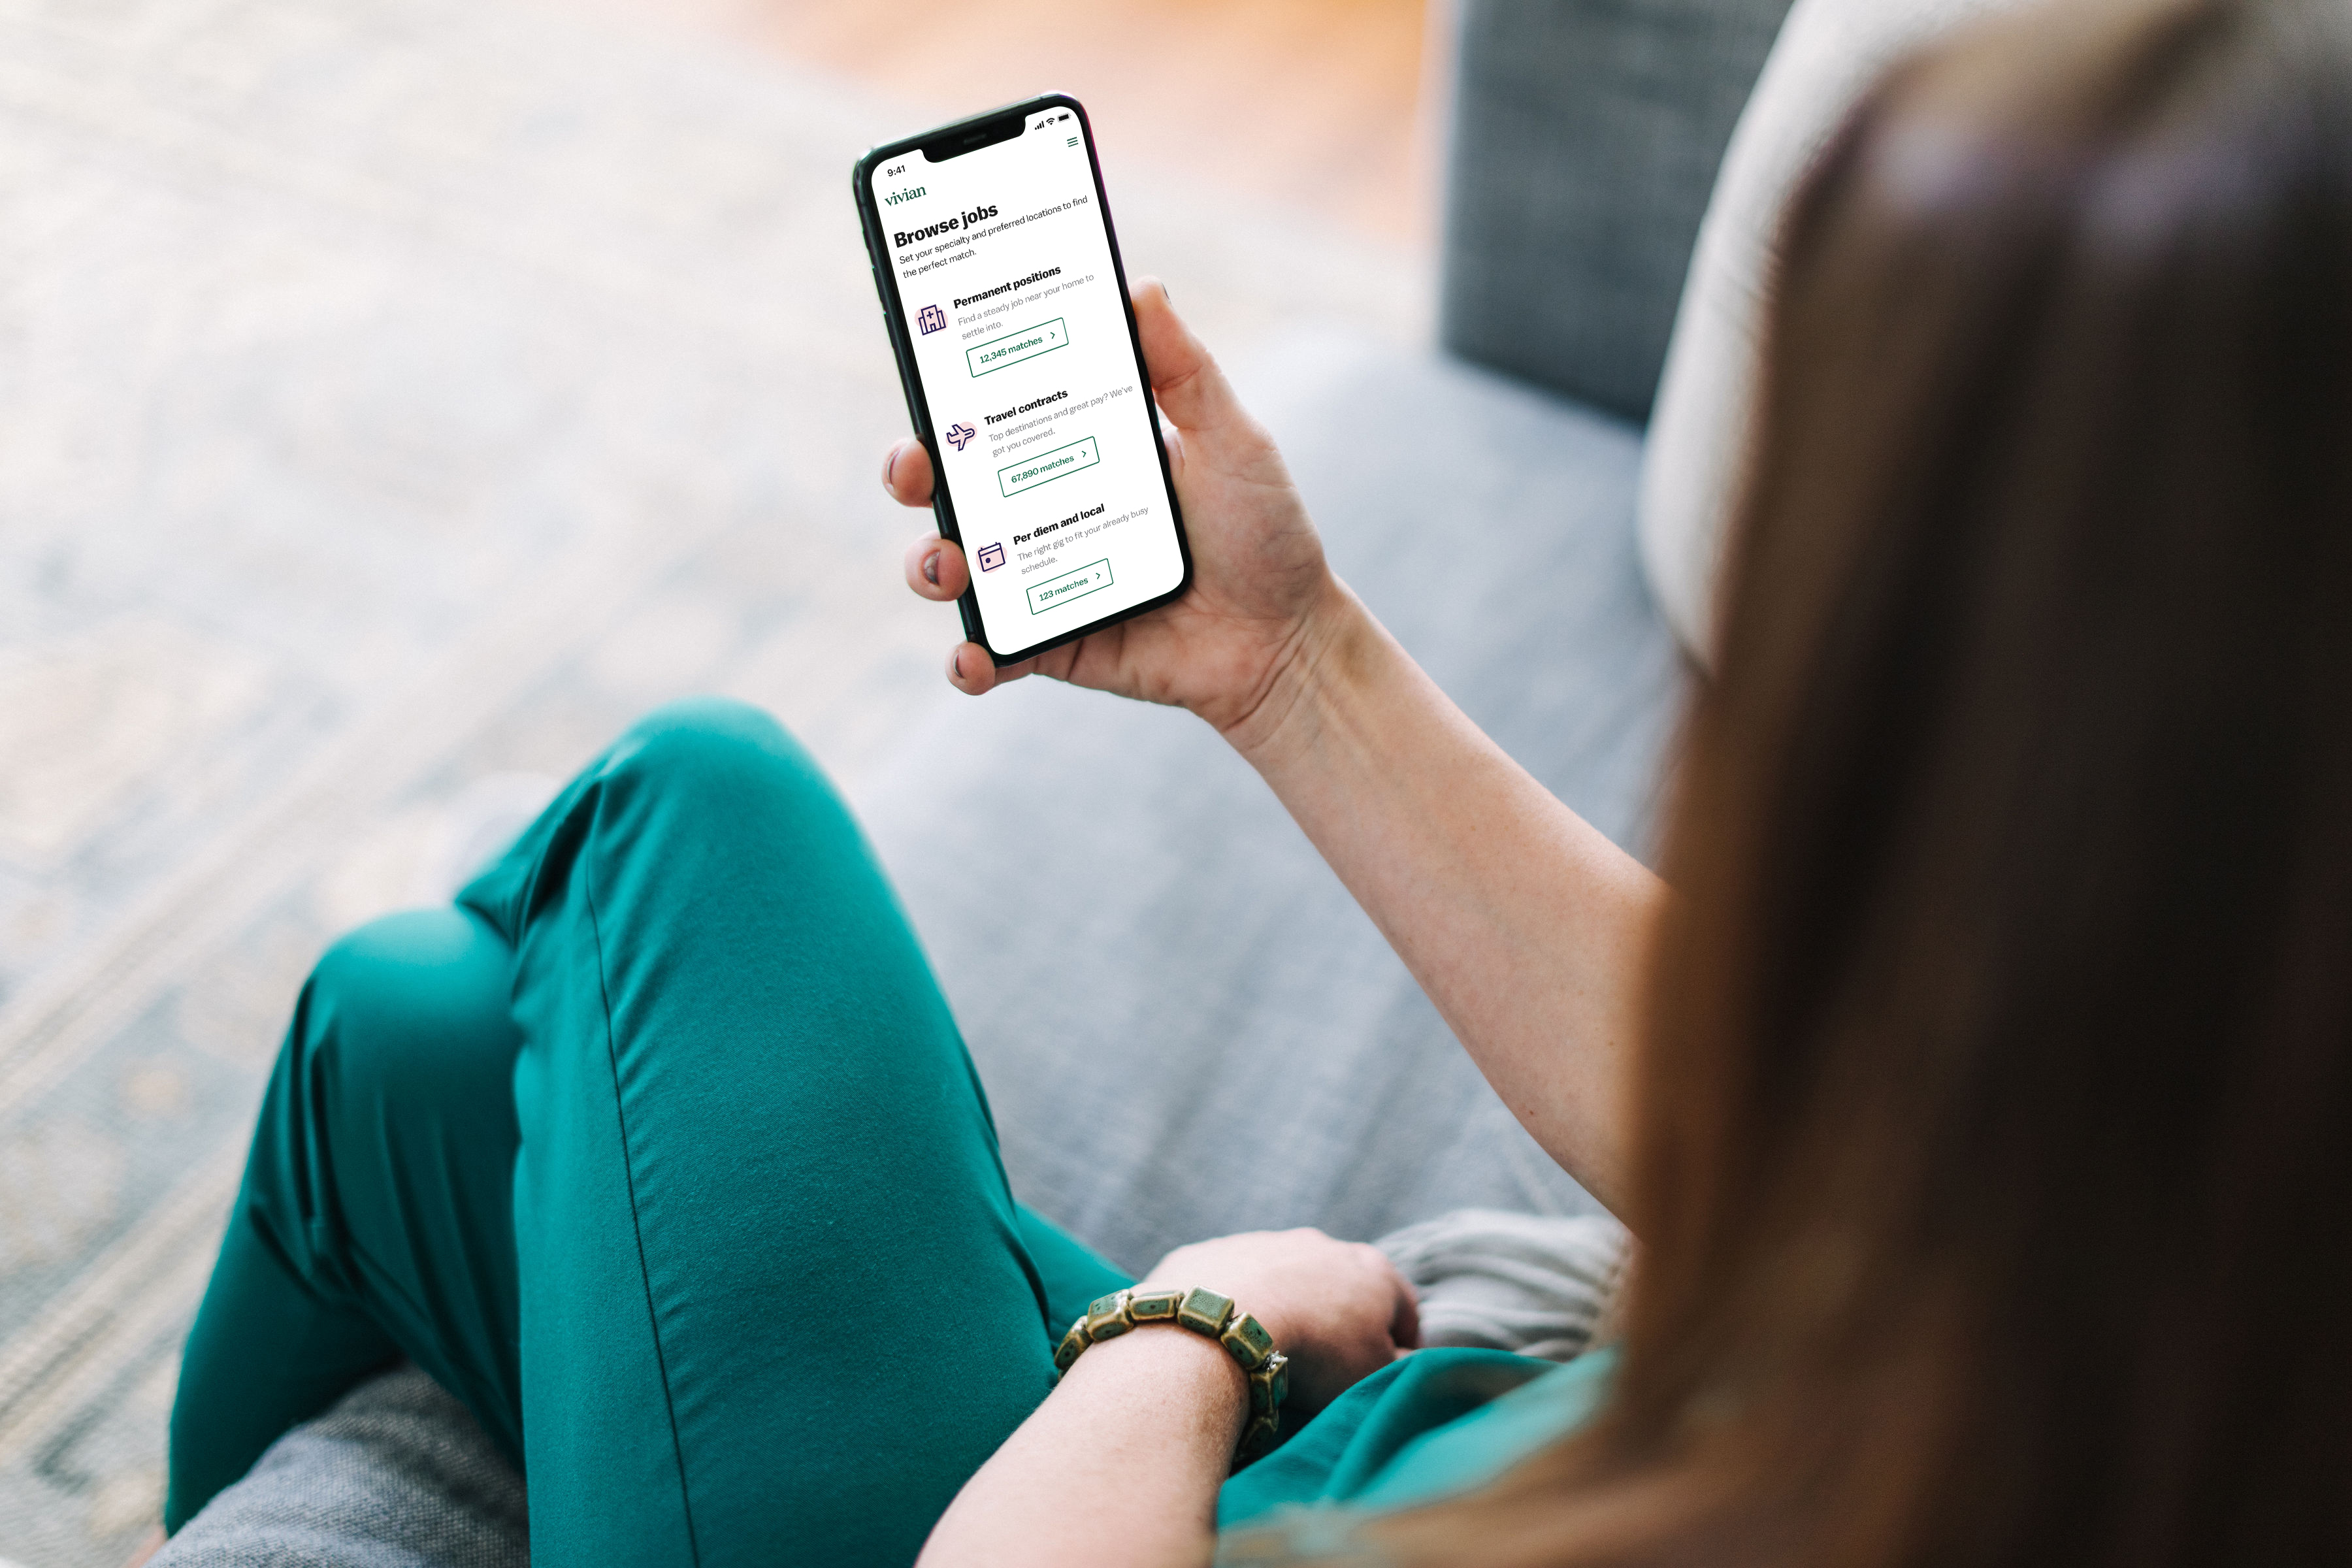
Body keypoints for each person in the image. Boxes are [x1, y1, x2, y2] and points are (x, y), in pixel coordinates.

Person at [158, 0, 2352, 1561]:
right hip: (1293, 1447)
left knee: (681, 812)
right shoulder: (2201, 1152)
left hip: (1102, 1501)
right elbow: (1829, 1155)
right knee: (407, 1031)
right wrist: (1288, 661)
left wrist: (1191, 1338)